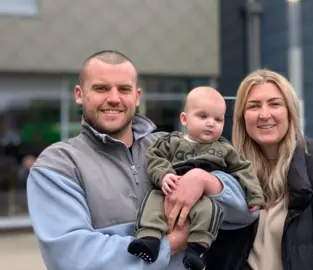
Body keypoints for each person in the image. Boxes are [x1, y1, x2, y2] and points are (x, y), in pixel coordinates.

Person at [26, 50, 257, 270]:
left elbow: (247, 212)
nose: (114, 98)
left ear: (137, 97)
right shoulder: (57, 164)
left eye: (124, 89)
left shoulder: (172, 145)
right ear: (79, 94)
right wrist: (173, 242)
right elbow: (72, 258)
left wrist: (205, 181)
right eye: (101, 88)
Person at [205, 69, 313, 270]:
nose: (264, 114)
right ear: (242, 116)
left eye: (275, 104)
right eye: (253, 106)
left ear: (290, 111)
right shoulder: (224, 172)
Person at [128, 86, 265, 270]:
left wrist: (254, 195)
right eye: (203, 117)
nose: (211, 123)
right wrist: (164, 175)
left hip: (203, 197)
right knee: (153, 199)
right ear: (184, 119)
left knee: (210, 210)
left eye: (218, 119)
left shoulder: (225, 148)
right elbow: (155, 157)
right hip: (172, 187)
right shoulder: (171, 141)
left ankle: (197, 249)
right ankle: (148, 238)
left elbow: (243, 168)